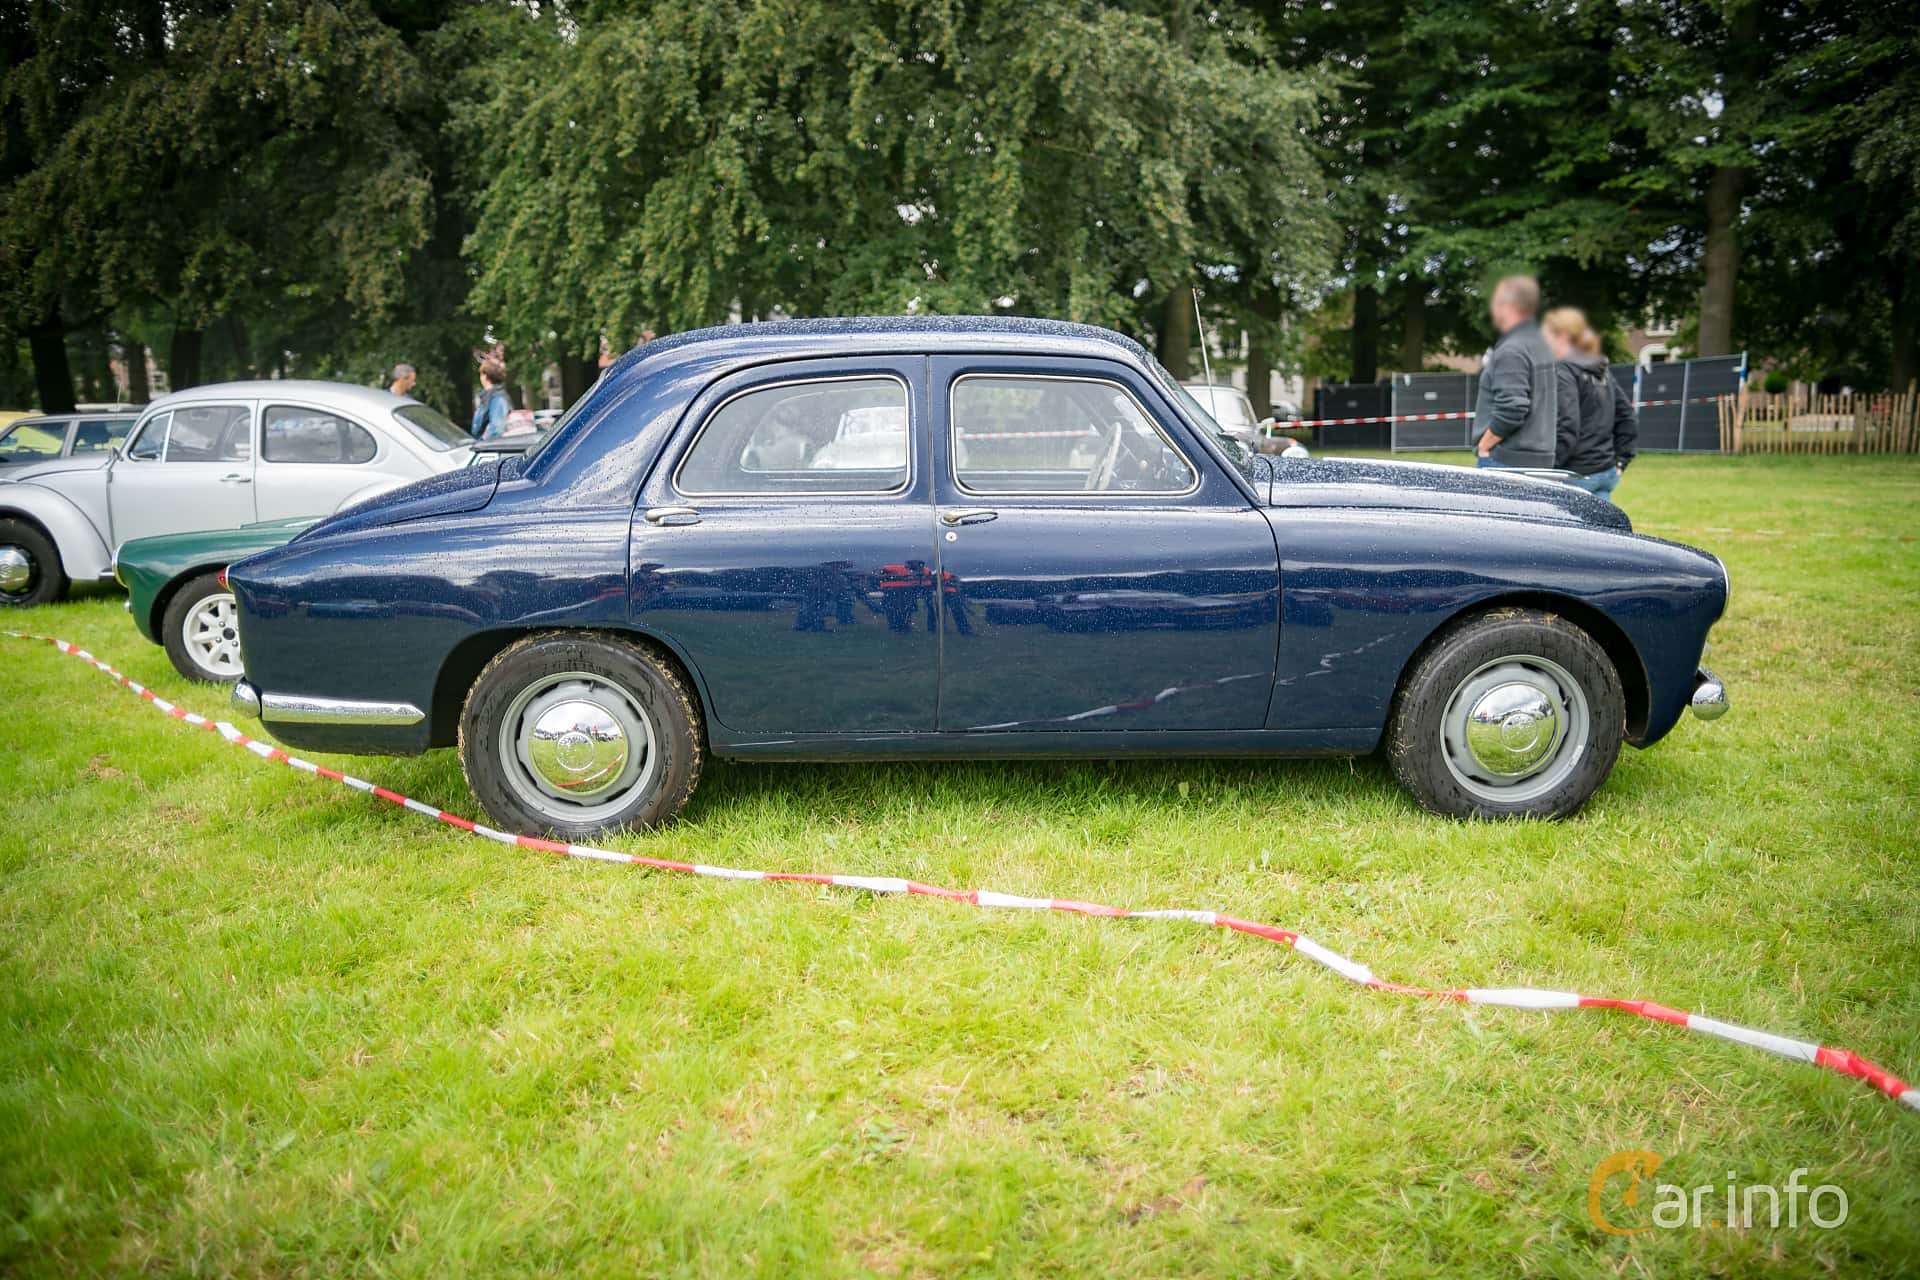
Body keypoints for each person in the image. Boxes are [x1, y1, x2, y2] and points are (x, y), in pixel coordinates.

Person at [1542, 307, 1637, 503]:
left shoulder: (1564, 369)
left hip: (1576, 475)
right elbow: (1627, 416)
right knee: (1598, 532)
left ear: (1563, 336)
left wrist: (1548, 469)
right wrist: (1621, 460)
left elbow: (1567, 422)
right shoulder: (1601, 370)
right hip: (1604, 472)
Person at [1472, 275, 1556, 468]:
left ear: (1509, 305)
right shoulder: (1541, 345)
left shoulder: (1512, 350)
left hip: (1507, 461)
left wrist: (1484, 447)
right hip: (1538, 462)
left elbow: (1512, 407)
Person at [471, 357, 512, 440]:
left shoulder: (498, 397)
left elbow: (496, 429)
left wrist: (482, 445)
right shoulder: (490, 397)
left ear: (485, 376)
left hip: (490, 449)